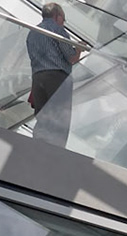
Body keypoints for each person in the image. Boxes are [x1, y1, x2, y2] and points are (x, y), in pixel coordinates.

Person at [26, 3, 84, 148]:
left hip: (37, 77)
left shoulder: (32, 32)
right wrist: (79, 49)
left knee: (43, 116)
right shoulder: (57, 30)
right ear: (58, 16)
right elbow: (71, 58)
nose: (63, 23)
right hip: (57, 77)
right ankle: (57, 151)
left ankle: (39, 146)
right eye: (63, 19)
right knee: (60, 116)